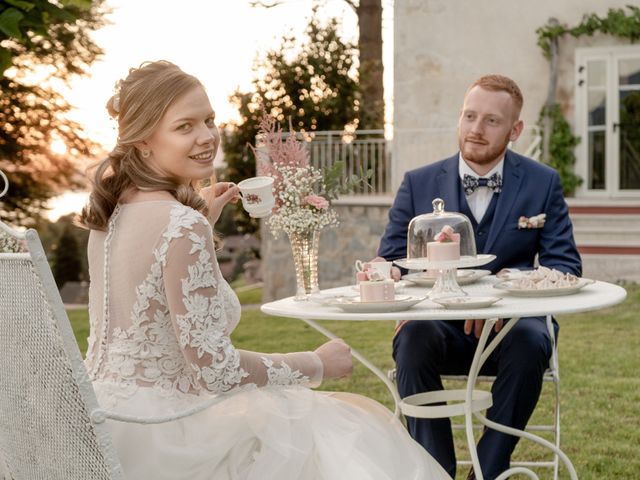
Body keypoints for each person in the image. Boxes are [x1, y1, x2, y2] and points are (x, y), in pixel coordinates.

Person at [80, 60, 449, 480]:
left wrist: (202, 218)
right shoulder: (182, 225)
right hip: (170, 436)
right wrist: (316, 363)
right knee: (353, 430)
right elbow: (216, 369)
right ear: (144, 141)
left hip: (108, 421)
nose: (207, 137)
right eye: (185, 127)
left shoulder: (109, 220)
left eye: (209, 120)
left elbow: (148, 297)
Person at [377, 74, 582, 479]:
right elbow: (392, 262)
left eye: (491, 120)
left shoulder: (543, 183)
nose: (475, 129)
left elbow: (564, 267)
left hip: (512, 332)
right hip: (441, 326)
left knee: (532, 338)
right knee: (412, 339)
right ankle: (434, 470)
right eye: (469, 116)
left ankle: (487, 470)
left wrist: (501, 300)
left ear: (515, 129)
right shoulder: (418, 183)